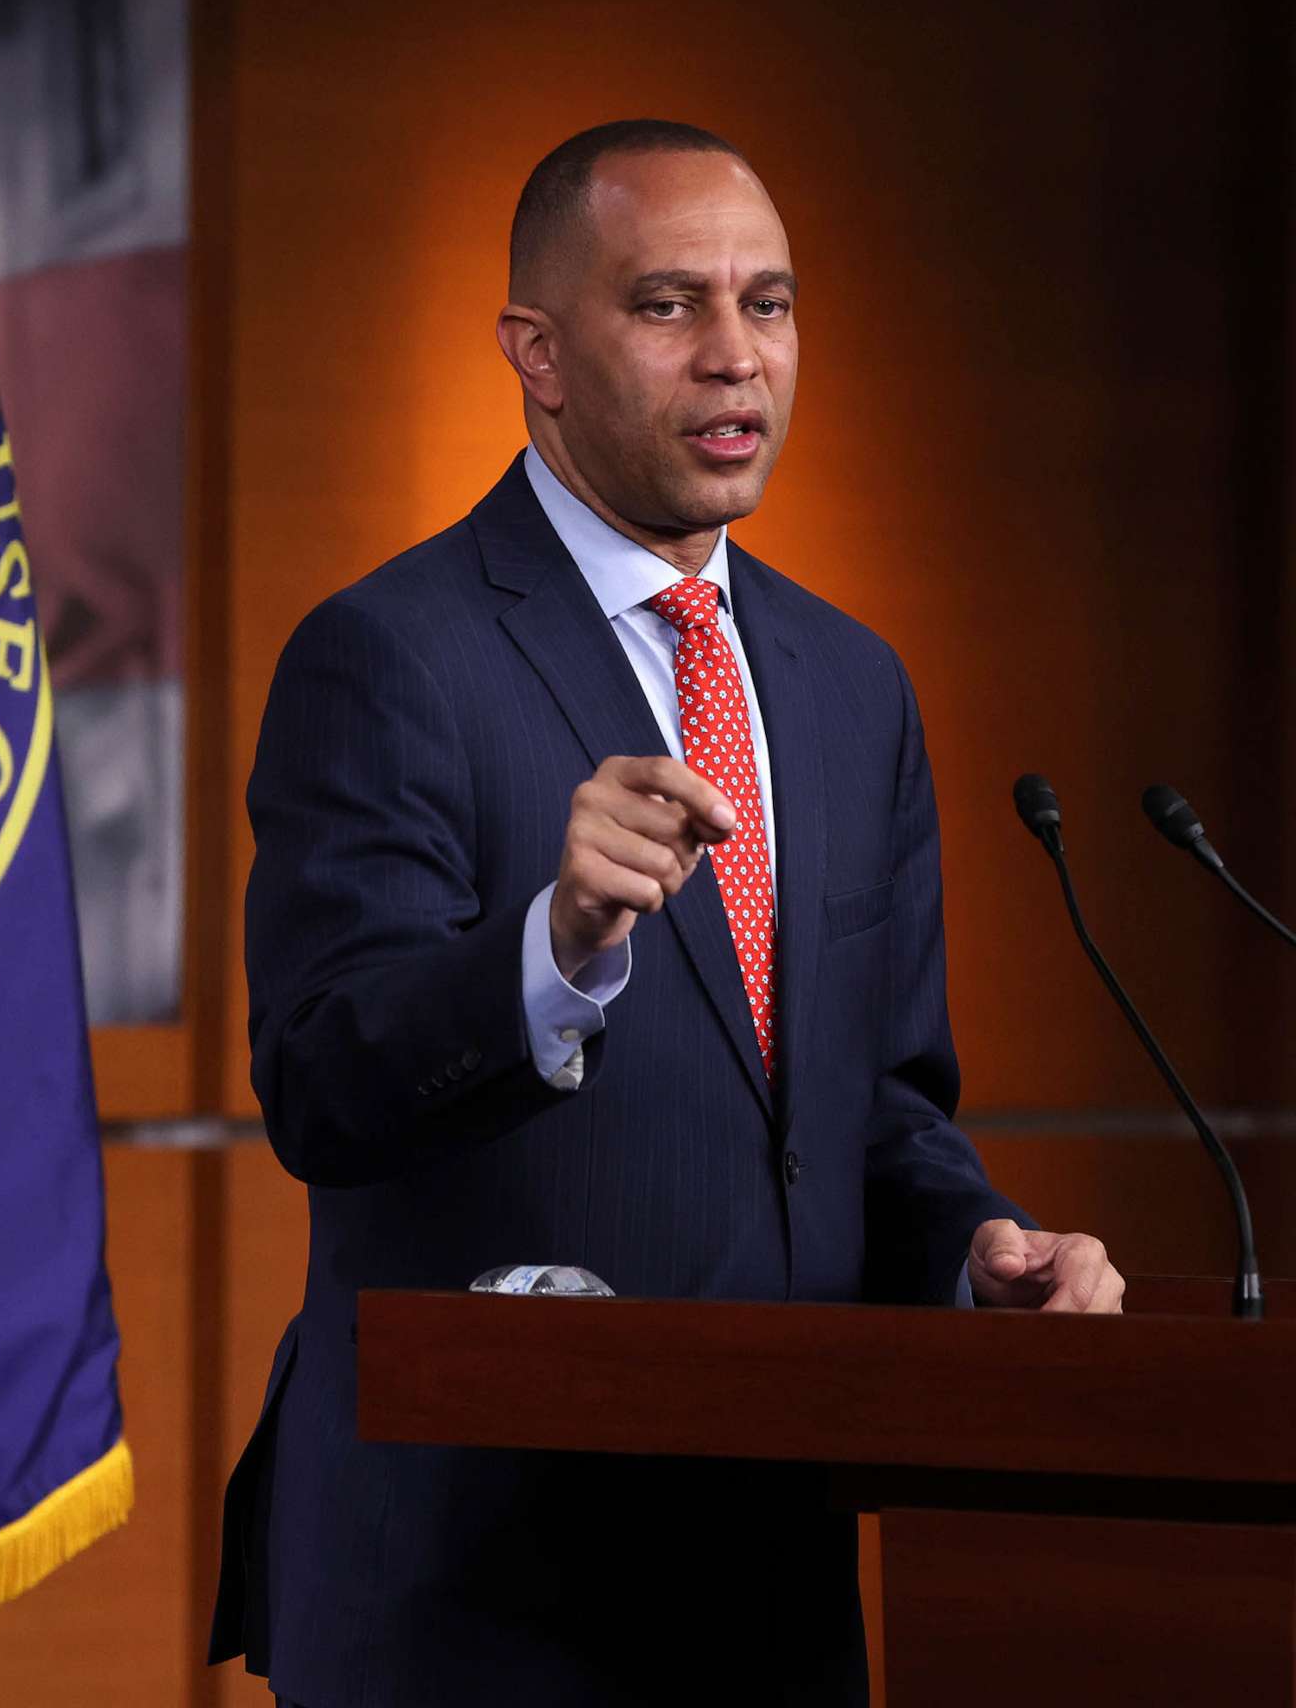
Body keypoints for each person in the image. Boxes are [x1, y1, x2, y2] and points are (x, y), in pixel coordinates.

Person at [207, 119, 1126, 1708]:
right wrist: (554, 951)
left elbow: (875, 1110)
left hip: (766, 1592)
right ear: (537, 353)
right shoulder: (390, 656)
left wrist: (976, 1250)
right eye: (668, 306)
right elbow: (320, 1081)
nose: (733, 358)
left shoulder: (851, 686)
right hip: (468, 1594)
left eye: (767, 305)